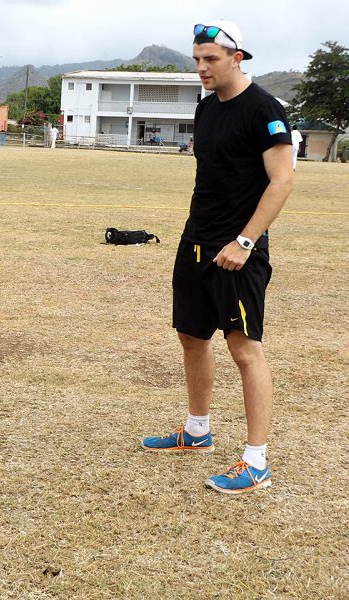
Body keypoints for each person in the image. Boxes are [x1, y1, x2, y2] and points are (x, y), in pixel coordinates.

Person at [141, 20, 294, 494]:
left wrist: (245, 241)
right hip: (196, 243)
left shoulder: (264, 110)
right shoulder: (205, 109)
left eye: (211, 59)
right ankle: (197, 431)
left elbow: (283, 180)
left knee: (244, 349)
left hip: (237, 251)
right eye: (197, 59)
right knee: (191, 336)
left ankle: (256, 463)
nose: (201, 67)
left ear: (237, 58)